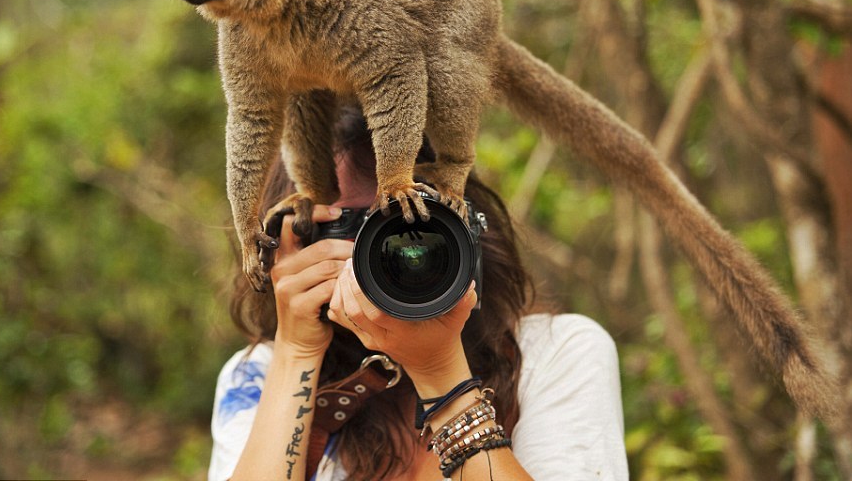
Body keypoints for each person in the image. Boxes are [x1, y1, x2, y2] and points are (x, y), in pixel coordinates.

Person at [208, 107, 628, 480]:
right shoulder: (258, 376)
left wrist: (440, 370)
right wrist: (297, 351)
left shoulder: (555, 353)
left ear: (465, 224)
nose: (395, 250)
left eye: (414, 217)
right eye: (354, 227)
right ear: (287, 244)